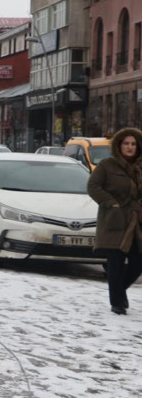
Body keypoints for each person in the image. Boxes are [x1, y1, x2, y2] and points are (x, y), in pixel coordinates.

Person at [87, 127, 142, 315]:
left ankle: (119, 291)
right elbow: (93, 186)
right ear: (119, 145)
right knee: (116, 262)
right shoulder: (107, 165)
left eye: (133, 144)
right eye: (126, 143)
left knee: (138, 261)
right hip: (115, 220)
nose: (130, 147)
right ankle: (117, 303)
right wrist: (111, 203)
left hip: (137, 222)